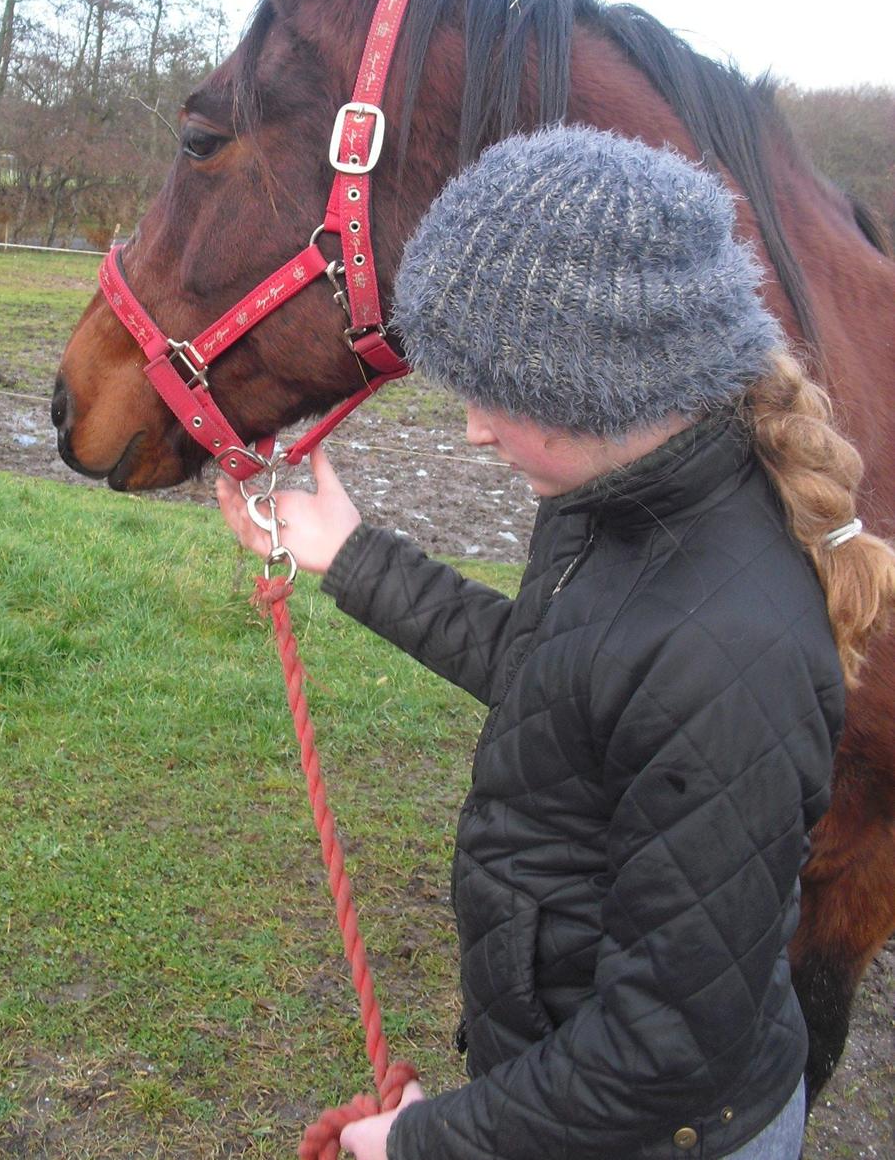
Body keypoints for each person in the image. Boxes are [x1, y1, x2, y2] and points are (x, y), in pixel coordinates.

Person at [217, 127, 895, 1160]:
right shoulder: (616, 497)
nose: (476, 432)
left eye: (493, 392)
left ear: (594, 384)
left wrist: (422, 1141)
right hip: (568, 1088)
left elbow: (661, 1048)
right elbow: (561, 680)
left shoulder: (731, 656)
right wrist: (350, 556)